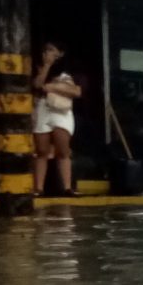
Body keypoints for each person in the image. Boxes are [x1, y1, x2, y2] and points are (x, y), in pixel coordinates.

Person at [32, 41, 82, 196]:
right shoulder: (36, 68)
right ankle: (38, 188)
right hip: (42, 109)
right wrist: (46, 66)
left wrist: (52, 87)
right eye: (47, 50)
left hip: (60, 110)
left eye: (53, 50)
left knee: (62, 149)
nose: (49, 53)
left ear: (60, 53)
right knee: (41, 150)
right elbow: (37, 84)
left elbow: (76, 91)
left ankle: (67, 187)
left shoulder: (66, 71)